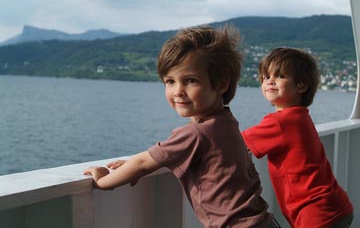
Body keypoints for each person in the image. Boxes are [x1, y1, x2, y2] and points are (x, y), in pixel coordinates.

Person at [84, 25, 276, 228]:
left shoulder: (196, 133)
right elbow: (153, 159)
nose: (178, 91)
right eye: (170, 81)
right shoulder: (226, 122)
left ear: (221, 84)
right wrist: (133, 165)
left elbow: (143, 163)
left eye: (190, 81)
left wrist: (103, 181)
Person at [241, 47, 354, 228]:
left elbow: (237, 142)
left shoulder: (280, 121)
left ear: (301, 85)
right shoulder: (301, 116)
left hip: (315, 214)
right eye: (265, 77)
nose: (269, 81)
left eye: (280, 76)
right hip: (335, 206)